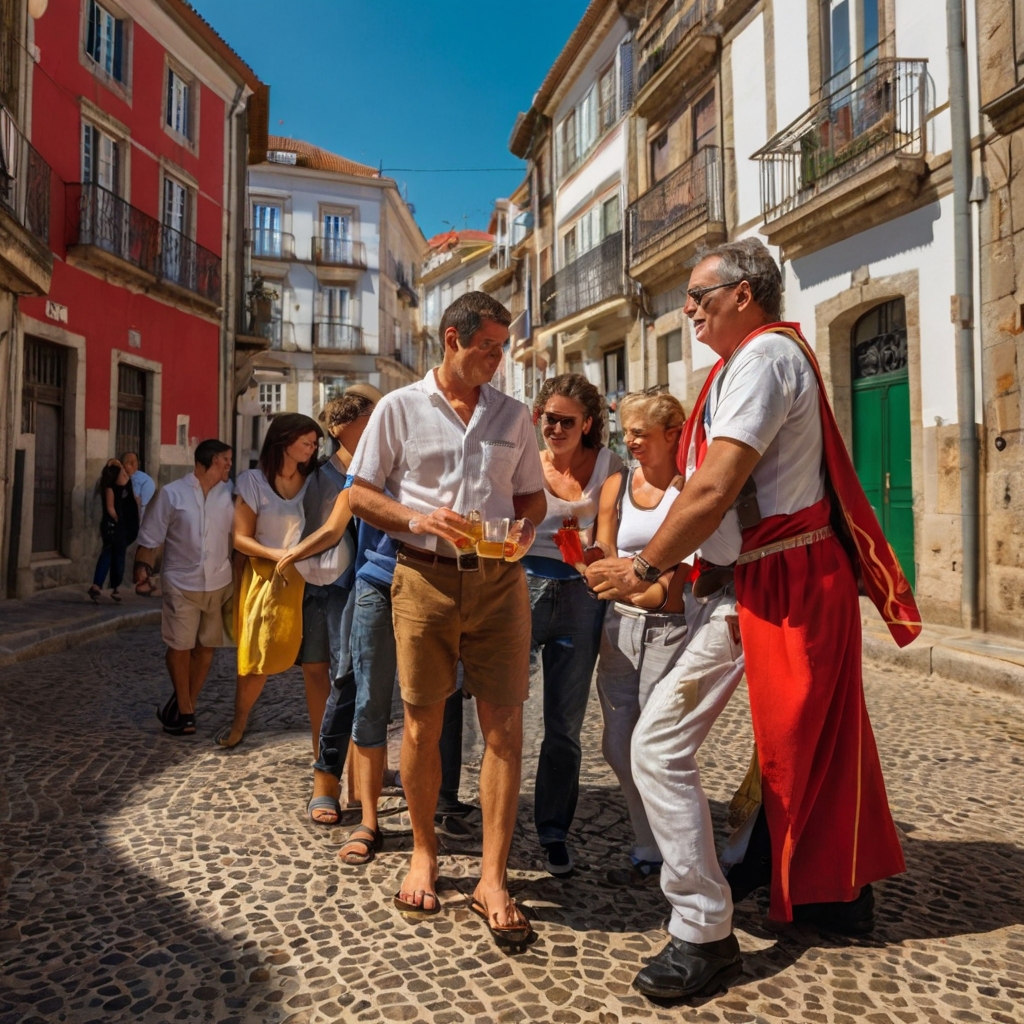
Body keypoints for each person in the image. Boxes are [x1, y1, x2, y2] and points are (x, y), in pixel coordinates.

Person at [588, 238, 919, 998]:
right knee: (813, 746)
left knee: (661, 744)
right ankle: (835, 894)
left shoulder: (766, 360)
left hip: (782, 580)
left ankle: (703, 930)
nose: (689, 307)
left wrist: (642, 567)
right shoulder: (750, 363)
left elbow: (712, 490)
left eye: (701, 294)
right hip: (764, 577)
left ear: (745, 294)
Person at [347, 291, 546, 945]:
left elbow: (530, 497)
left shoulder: (515, 415)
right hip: (423, 580)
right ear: (453, 338)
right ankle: (425, 852)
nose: (499, 356)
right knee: (422, 722)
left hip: (499, 582)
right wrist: (415, 517)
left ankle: (492, 877)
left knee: (504, 729)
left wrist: (521, 530)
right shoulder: (399, 409)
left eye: (502, 345)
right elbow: (358, 492)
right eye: (489, 345)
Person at [523, 374, 622, 876]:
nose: (556, 428)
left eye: (567, 420)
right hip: (520, 587)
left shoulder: (609, 465)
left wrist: (586, 549)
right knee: (491, 708)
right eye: (549, 418)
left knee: (564, 724)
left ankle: (553, 829)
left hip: (581, 594)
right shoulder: (526, 458)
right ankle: (467, 806)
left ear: (588, 423)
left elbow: (604, 538)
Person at [591, 390, 690, 889]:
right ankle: (651, 839)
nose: (628, 441)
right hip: (618, 625)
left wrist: (640, 585)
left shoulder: (687, 490)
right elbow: (605, 553)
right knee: (616, 742)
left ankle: (667, 850)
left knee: (658, 744)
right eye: (625, 431)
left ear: (673, 434)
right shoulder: (616, 486)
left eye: (640, 433)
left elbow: (677, 577)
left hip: (671, 629)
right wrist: (591, 564)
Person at [282, 388, 378, 826]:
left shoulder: (379, 469)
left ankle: (357, 775)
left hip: (359, 583)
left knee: (354, 677)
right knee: (324, 671)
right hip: (319, 584)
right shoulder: (318, 475)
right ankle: (327, 763)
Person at [217, 413, 325, 751]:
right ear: (284, 441)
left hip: (311, 579)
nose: (313, 448)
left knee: (316, 663)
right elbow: (240, 538)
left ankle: (322, 742)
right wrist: (278, 555)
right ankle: (239, 723)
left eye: (315, 443)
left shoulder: (316, 480)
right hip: (267, 578)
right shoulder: (252, 480)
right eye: (306, 442)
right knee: (256, 658)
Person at [133, 439, 235, 735]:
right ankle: (187, 712)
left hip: (218, 581)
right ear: (210, 461)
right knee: (180, 644)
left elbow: (237, 536)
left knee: (206, 648)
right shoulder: (172, 494)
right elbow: (151, 537)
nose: (229, 464)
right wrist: (142, 570)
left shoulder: (228, 495)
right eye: (225, 459)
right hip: (180, 581)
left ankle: (181, 704)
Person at [88, 459, 139, 603]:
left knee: (114, 555)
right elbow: (111, 508)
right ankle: (105, 586)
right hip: (115, 528)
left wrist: (118, 464)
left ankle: (107, 586)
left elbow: (123, 473)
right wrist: (118, 521)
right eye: (122, 472)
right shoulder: (110, 487)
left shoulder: (127, 486)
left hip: (125, 528)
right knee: (112, 554)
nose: (125, 474)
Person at [121, 451, 156, 523]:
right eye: (129, 462)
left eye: (134, 461)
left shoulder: (140, 479)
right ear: (122, 465)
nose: (132, 464)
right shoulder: (122, 477)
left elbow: (137, 501)